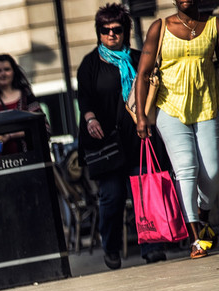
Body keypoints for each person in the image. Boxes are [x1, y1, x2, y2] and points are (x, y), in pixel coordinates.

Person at [77, 3, 168, 269]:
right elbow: (84, 97)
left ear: (125, 31)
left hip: (138, 137)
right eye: (105, 30)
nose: (111, 35)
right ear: (99, 32)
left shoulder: (138, 58)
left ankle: (152, 248)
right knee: (112, 196)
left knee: (145, 193)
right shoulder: (91, 64)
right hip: (106, 142)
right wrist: (90, 118)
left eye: (116, 30)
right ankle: (112, 248)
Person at [134, 0, 219, 259]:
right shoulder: (160, 27)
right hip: (168, 109)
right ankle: (195, 239)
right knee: (186, 168)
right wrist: (140, 117)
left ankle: (202, 217)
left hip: (206, 106)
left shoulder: (213, 25)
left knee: (213, 173)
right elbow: (143, 73)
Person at [0, 54, 47, 158]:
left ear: (14, 72)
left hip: (27, 159)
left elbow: (43, 127)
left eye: (7, 69)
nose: (3, 74)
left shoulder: (26, 95)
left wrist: (12, 135)